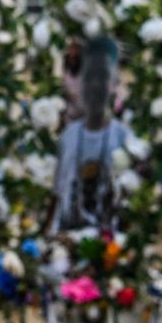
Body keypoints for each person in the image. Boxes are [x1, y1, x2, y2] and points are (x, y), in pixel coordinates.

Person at [50, 36, 128, 232]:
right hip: (69, 231)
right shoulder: (69, 135)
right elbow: (59, 192)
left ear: (111, 86)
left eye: (102, 79)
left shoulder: (121, 136)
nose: (95, 88)